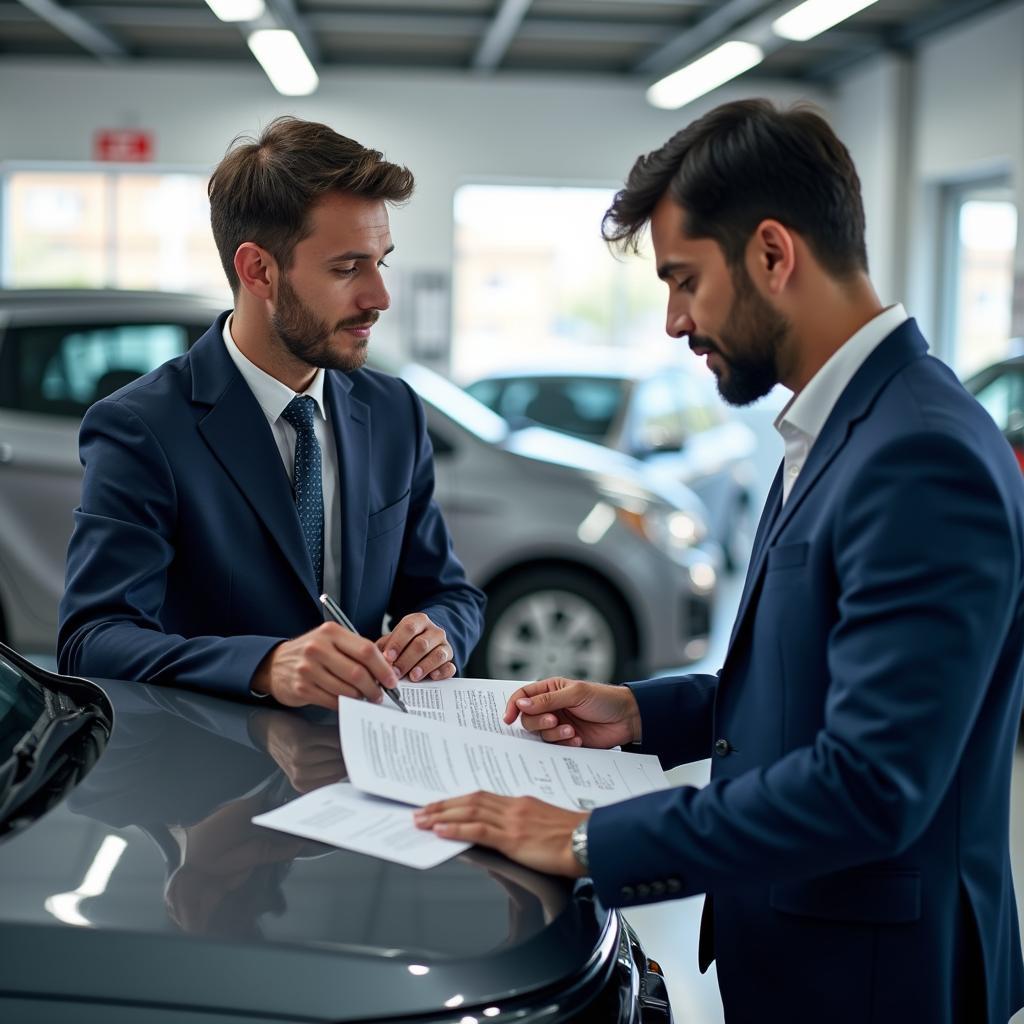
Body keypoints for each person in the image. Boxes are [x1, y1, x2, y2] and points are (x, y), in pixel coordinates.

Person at [413, 99, 1024, 1022]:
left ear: (774, 255)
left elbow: (871, 784)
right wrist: (640, 712)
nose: (671, 320)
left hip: (874, 980)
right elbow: (810, 683)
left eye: (684, 280)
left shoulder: (919, 454)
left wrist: (586, 840)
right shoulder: (838, 422)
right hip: (809, 948)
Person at [58, 116, 485, 709]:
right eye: (346, 269)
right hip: (210, 778)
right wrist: (263, 665)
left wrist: (439, 635)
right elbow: (92, 640)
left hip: (367, 764)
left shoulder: (393, 411)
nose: (379, 298)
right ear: (258, 270)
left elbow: (450, 593)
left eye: (380, 263)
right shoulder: (142, 427)